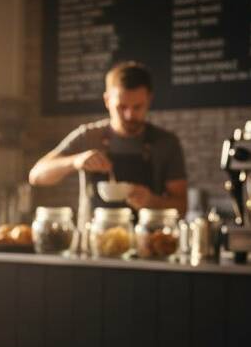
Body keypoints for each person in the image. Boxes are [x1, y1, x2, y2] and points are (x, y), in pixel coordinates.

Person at [29, 61, 187, 230]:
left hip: (149, 244)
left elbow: (182, 207)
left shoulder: (166, 143)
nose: (129, 115)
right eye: (122, 107)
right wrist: (74, 161)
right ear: (107, 100)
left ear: (149, 99)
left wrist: (151, 201)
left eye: (137, 107)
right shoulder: (87, 137)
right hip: (94, 243)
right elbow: (36, 175)